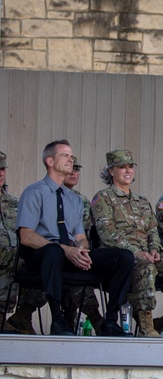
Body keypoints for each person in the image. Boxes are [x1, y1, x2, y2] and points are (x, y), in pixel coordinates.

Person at [15, 140, 134, 337]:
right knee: (53, 250)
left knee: (124, 257)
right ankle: (57, 320)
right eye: (65, 156)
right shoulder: (34, 192)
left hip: (70, 256)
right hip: (41, 257)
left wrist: (81, 250)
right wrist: (64, 249)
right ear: (50, 161)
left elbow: (80, 236)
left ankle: (110, 322)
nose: (71, 159)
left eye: (72, 156)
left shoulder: (74, 199)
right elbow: (26, 236)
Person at [92, 149, 163, 339]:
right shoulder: (103, 198)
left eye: (130, 166)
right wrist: (135, 251)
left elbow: (152, 229)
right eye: (121, 167)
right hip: (122, 258)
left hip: (149, 254)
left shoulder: (141, 201)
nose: (127, 171)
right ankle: (146, 326)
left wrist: (155, 248)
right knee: (146, 268)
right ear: (111, 171)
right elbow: (106, 233)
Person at [1, 150, 47, 334]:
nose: (0, 173)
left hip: (16, 261)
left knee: (48, 266)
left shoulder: (14, 203)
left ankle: (22, 315)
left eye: (2, 169)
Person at [62, 156, 105, 334]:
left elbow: (86, 233)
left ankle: (71, 322)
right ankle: (94, 318)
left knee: (82, 267)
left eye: (77, 169)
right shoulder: (48, 196)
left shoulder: (82, 200)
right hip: (57, 252)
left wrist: (82, 250)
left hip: (80, 252)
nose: (74, 173)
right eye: (70, 168)